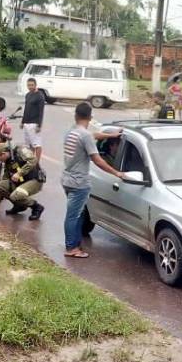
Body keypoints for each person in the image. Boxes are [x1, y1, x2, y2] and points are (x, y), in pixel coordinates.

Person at [62, 102, 124, 258]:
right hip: (79, 183)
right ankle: (71, 248)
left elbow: (92, 136)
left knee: (76, 215)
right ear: (90, 117)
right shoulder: (84, 136)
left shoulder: (72, 131)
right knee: (73, 216)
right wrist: (116, 173)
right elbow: (97, 160)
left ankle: (75, 245)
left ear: (76, 115)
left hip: (67, 179)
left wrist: (111, 135)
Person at [0, 143, 45, 220]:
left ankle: (36, 207)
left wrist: (19, 173)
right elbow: (5, 180)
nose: (0, 161)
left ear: (3, 154)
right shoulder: (8, 162)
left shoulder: (20, 150)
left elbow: (33, 160)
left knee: (16, 195)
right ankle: (19, 206)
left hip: (34, 180)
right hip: (21, 181)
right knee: (0, 186)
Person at [21, 77, 45, 160]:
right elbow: (26, 109)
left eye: (32, 85)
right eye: (28, 85)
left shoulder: (40, 96)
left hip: (34, 123)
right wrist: (22, 121)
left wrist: (39, 125)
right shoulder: (28, 95)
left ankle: (37, 163)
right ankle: (31, 161)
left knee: (37, 144)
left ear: (35, 85)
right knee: (29, 144)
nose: (30, 87)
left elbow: (41, 111)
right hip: (26, 123)